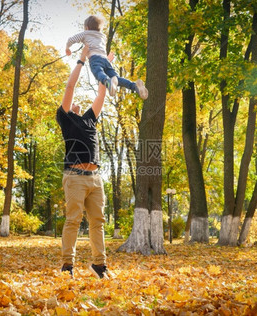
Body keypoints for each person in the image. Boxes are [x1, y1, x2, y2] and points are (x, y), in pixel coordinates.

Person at [56, 45, 109, 279]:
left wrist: (103, 65)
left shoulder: (89, 119)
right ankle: (67, 267)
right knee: (73, 221)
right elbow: (70, 87)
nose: (76, 102)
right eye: (73, 102)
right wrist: (80, 59)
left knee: (98, 222)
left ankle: (100, 266)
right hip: (75, 177)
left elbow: (101, 94)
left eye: (77, 102)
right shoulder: (65, 118)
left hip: (95, 179)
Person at [66, 15, 148, 100]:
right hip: (105, 60)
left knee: (98, 72)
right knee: (117, 79)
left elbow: (72, 39)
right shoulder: (102, 36)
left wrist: (67, 47)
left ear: (87, 27)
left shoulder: (86, 33)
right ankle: (135, 86)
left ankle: (107, 82)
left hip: (94, 59)